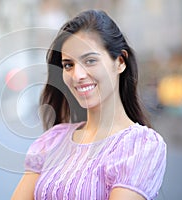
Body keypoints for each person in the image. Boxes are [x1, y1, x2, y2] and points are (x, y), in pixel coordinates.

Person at [12, 9, 166, 200]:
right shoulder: (53, 140)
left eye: (90, 60)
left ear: (120, 62)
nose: (77, 75)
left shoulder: (140, 146)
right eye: (68, 65)